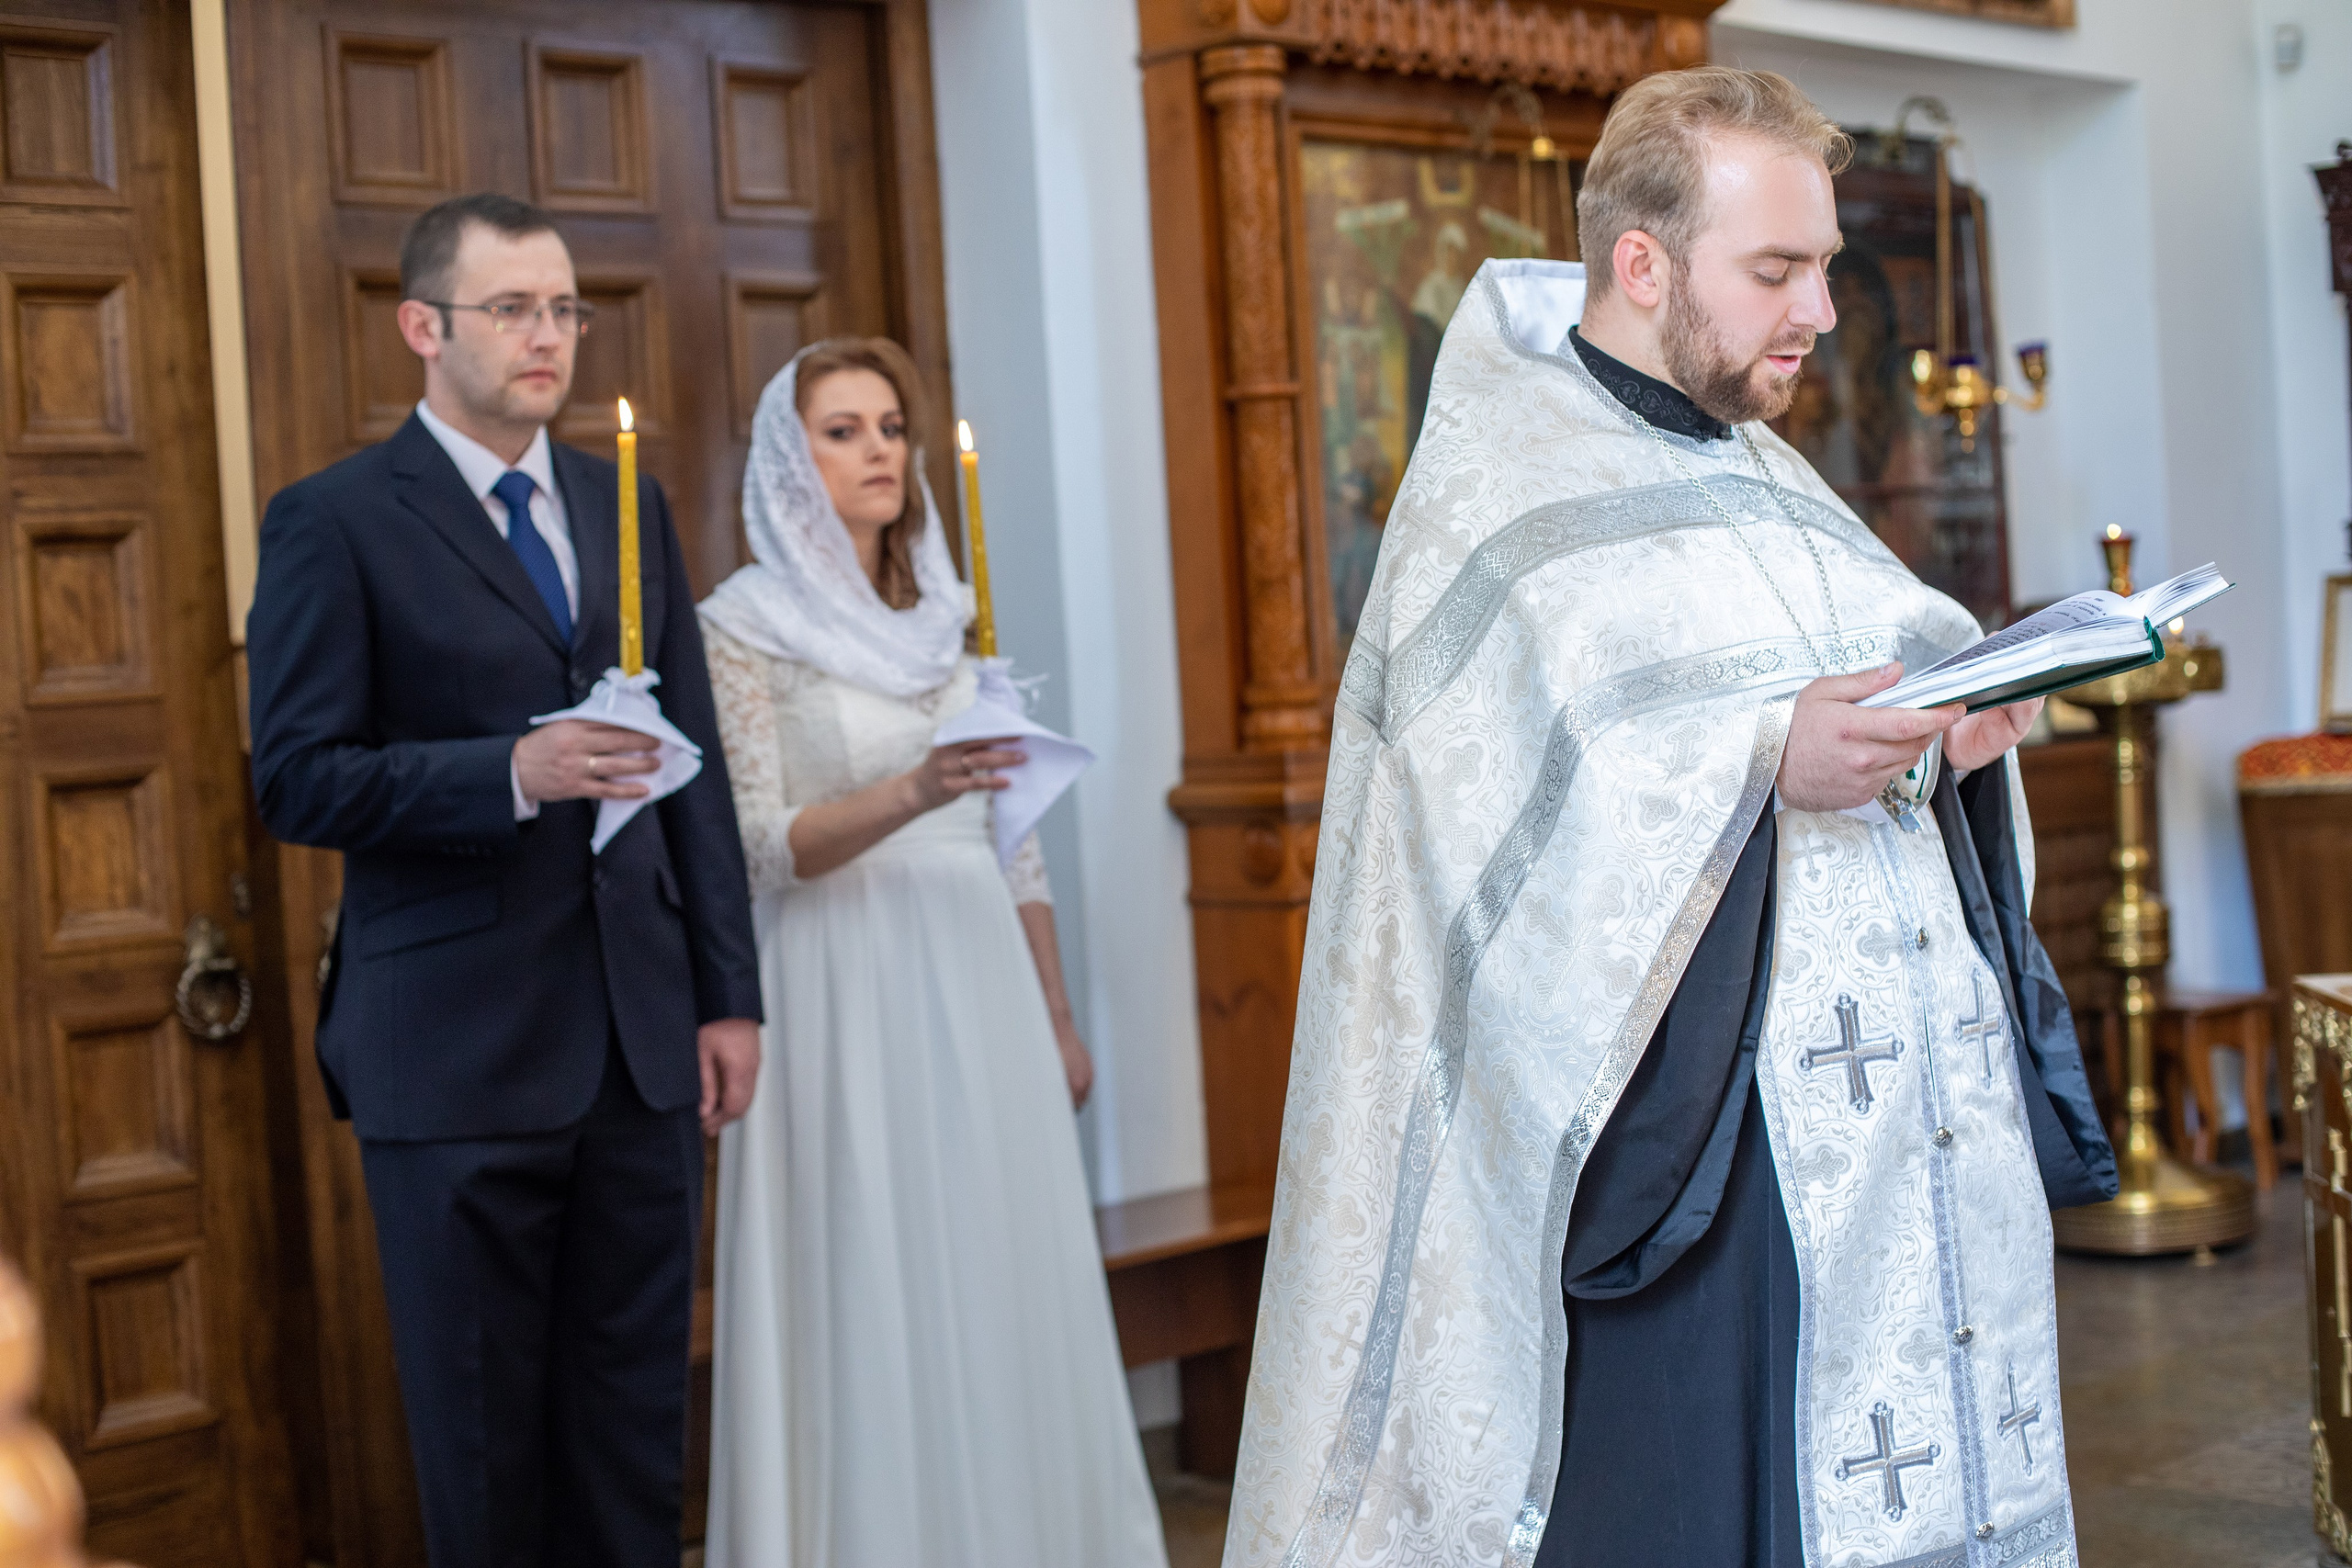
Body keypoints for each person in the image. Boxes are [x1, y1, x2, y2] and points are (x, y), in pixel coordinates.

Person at [1225, 69, 2115, 1568]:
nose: (1820, 312)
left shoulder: (1771, 474)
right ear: (1641, 264)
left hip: (1905, 1151)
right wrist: (1758, 764)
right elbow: (1483, 846)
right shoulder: (1500, 503)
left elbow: (1870, 695)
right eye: (1777, 270)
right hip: (1708, 1174)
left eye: (1822, 265)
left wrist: (1961, 734)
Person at [245, 193, 763, 1568]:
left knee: (634, 1439)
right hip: (457, 1053)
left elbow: (692, 762)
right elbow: (294, 778)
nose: (550, 337)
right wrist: (508, 773)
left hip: (640, 1048)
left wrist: (728, 996)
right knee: (487, 1460)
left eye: (565, 310)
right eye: (514, 310)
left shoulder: (623, 499)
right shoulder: (335, 521)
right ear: (424, 327)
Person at [698, 338, 1168, 1568]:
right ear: (788, 467)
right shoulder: (741, 630)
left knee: (997, 1275)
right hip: (839, 981)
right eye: (842, 430)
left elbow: (1013, 848)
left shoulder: (949, 630)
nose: (878, 453)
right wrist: (917, 786)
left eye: (891, 427)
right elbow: (757, 846)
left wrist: (1057, 1017)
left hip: (978, 979)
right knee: (867, 1275)